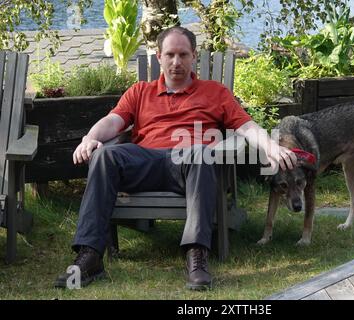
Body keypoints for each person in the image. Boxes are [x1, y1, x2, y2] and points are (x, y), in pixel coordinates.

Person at [54, 26, 297, 290]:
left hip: (189, 164)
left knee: (201, 153)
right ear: (159, 56)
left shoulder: (215, 92)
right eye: (170, 54)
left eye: (183, 54)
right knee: (104, 155)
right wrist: (89, 138)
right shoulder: (139, 92)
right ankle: (90, 256)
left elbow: (246, 127)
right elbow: (113, 121)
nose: (176, 62)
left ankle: (197, 255)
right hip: (145, 161)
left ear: (193, 55)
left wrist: (271, 147)